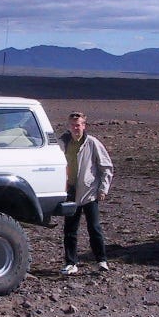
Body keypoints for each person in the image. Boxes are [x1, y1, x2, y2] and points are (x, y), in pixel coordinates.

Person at [59, 111, 114, 275]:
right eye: (73, 125)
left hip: (89, 192)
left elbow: (106, 167)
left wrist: (103, 189)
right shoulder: (62, 143)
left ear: (84, 125)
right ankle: (71, 263)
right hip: (70, 191)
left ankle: (101, 261)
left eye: (78, 125)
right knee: (70, 230)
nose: (75, 128)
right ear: (69, 126)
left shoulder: (92, 143)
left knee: (94, 228)